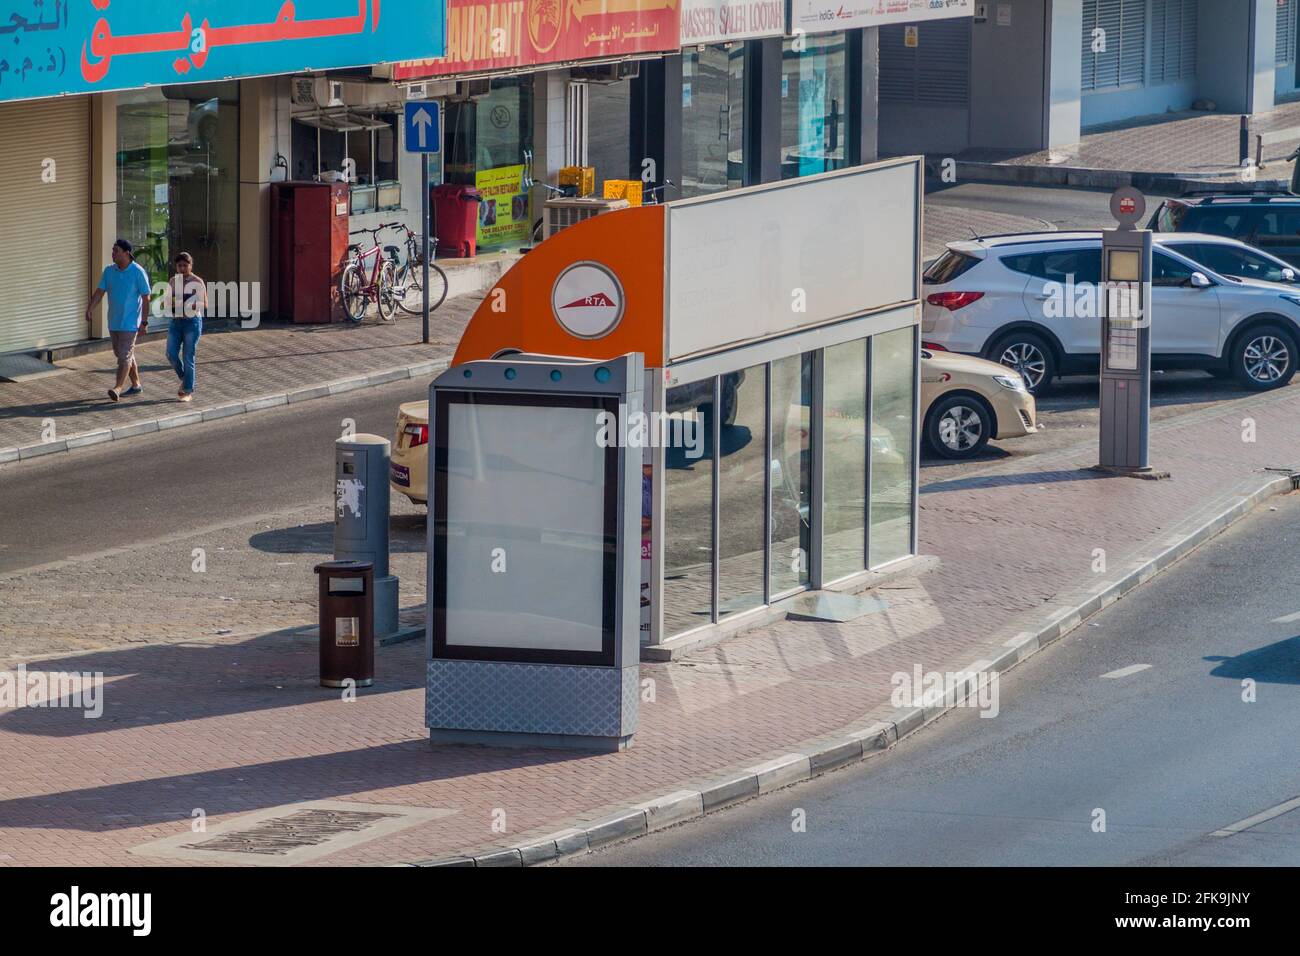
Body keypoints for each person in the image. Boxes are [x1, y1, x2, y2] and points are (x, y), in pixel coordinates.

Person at [85, 239, 151, 402]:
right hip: (114, 322)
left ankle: (118, 388)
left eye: (116, 251)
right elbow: (100, 291)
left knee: (124, 356)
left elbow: (146, 297)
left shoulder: (138, 271)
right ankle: (136, 385)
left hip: (130, 323)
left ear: (127, 253)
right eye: (112, 251)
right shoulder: (109, 271)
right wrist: (90, 308)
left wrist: (144, 322)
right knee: (122, 354)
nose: (113, 254)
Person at [162, 252, 206, 402]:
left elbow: (204, 303)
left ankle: (187, 390)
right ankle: (184, 378)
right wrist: (171, 304)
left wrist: (188, 304)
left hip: (191, 322)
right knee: (170, 354)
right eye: (179, 265)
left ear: (190, 266)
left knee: (188, 356)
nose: (182, 268)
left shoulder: (197, 281)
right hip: (176, 322)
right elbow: (166, 302)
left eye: (185, 265)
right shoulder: (173, 281)